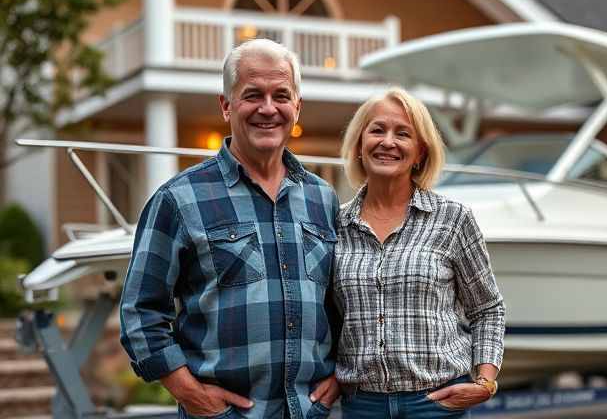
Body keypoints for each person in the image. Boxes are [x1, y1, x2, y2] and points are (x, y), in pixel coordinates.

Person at [120, 39, 340, 419]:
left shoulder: (323, 198)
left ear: (297, 107)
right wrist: (193, 396)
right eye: (252, 95)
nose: (268, 108)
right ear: (226, 105)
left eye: (281, 96)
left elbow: (340, 305)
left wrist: (337, 379)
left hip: (311, 412)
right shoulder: (178, 199)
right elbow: (140, 313)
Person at [334, 88, 505, 418]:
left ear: (420, 153)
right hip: (362, 406)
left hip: (437, 404)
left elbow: (488, 308)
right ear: (359, 144)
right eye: (377, 130)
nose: (388, 142)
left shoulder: (453, 219)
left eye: (403, 134)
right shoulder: (335, 224)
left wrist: (484, 383)